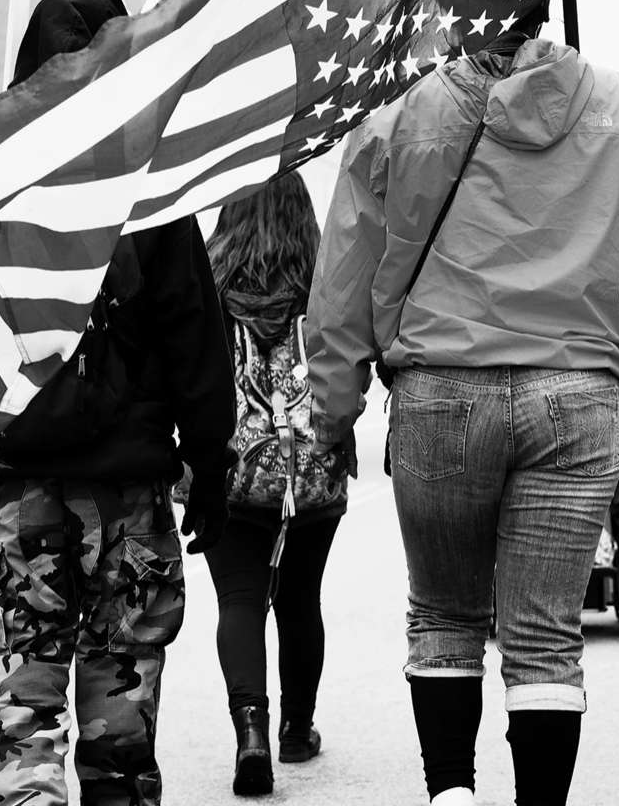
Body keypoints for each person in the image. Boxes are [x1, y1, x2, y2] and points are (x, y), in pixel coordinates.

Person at [305, 12, 619, 806]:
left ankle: (451, 796)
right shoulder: (613, 103)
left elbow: (341, 287)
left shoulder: (400, 116)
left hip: (441, 392)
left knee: (446, 617)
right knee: (545, 641)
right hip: (576, 396)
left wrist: (333, 412)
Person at [0, 0, 238, 806]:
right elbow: (196, 339)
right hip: (128, 500)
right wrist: (208, 461)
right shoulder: (153, 187)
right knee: (119, 739)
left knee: (22, 728)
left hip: (14, 501)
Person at [203, 173, 348, 797]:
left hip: (229, 472)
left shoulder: (207, 288)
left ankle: (251, 734)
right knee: (300, 600)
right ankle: (296, 728)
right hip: (310, 473)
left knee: (239, 601)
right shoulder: (325, 285)